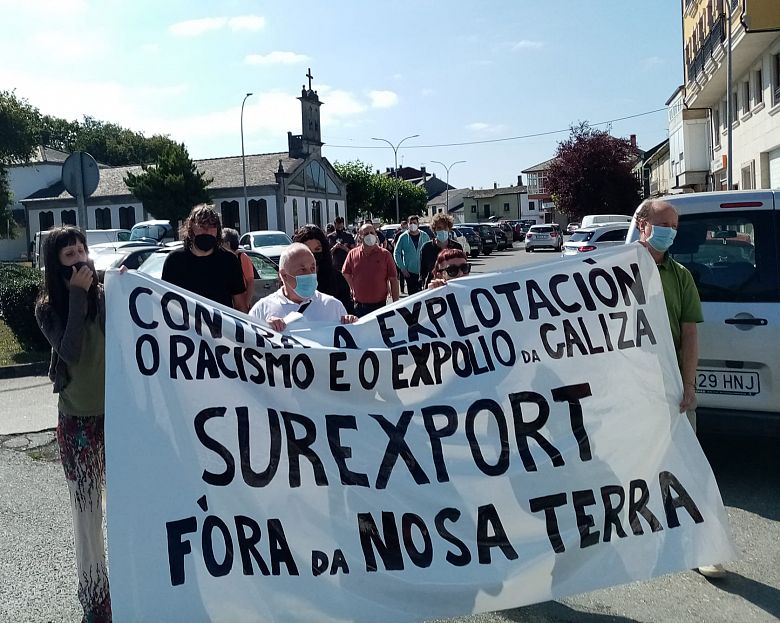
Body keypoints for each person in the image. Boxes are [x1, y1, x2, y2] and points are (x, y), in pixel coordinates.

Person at [636, 198, 725, 580]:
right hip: (632, 388)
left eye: (674, 226)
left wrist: (689, 385)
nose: (670, 232)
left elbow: (690, 335)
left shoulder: (681, 276)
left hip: (672, 387)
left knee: (688, 467)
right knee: (635, 468)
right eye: (664, 224)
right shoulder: (613, 272)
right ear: (643, 225)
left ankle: (703, 548)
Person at [34, 226, 112, 622]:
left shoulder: (107, 297)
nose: (80, 258)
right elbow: (71, 353)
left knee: (127, 506)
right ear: (56, 263)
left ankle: (135, 582)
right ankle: (96, 598)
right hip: (77, 423)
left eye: (82, 250)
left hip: (117, 419)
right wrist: (78, 295)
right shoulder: (48, 308)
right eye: (70, 254)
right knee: (87, 514)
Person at [249, 242, 357, 331]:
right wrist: (265, 329)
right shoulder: (262, 310)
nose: (309, 274)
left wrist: (352, 325)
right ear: (284, 275)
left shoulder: (333, 307)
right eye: (302, 269)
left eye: (312, 268)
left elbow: (350, 344)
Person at [161, 204, 246, 310]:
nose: (207, 231)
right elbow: (165, 302)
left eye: (212, 226)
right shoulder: (174, 261)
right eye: (202, 226)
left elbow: (240, 306)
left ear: (218, 230)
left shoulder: (229, 261)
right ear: (191, 227)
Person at [293, 224, 354, 314]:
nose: (312, 254)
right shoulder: (291, 280)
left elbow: (348, 311)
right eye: (307, 250)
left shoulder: (337, 279)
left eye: (317, 249)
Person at [342, 222, 400, 317]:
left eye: (372, 233)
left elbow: (393, 279)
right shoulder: (352, 254)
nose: (370, 235)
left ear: (376, 235)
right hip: (359, 307)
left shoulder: (385, 255)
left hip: (380, 306)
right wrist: (352, 287)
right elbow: (345, 272)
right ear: (360, 237)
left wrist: (396, 305)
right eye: (366, 234)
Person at [419, 212, 462, 287]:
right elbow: (423, 272)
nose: (442, 230)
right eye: (439, 228)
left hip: (453, 286)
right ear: (434, 229)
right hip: (433, 286)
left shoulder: (457, 247)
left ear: (449, 229)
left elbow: (462, 268)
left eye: (445, 227)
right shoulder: (426, 247)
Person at [393, 215, 430, 295]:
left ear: (418, 224)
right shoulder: (403, 237)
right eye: (411, 223)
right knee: (413, 296)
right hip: (410, 273)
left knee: (424, 295)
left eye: (414, 223)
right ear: (408, 224)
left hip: (423, 272)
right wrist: (402, 268)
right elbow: (397, 253)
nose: (413, 225)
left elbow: (429, 251)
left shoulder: (425, 236)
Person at [221, 227, 255, 312]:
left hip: (240, 306)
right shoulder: (222, 259)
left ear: (228, 243)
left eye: (222, 242)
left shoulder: (242, 257)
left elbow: (250, 282)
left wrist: (246, 304)